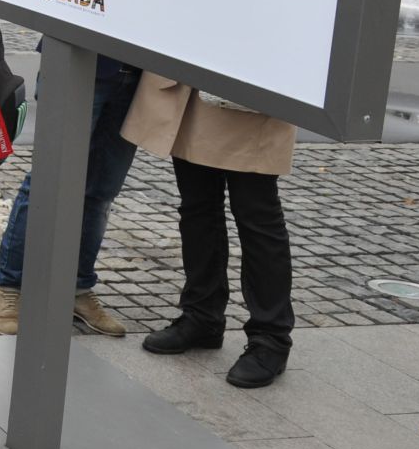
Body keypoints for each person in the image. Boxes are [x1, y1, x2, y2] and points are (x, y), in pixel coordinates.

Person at [121, 73, 297, 388]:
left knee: (256, 214)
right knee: (197, 206)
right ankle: (202, 316)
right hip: (194, 73)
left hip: (251, 77)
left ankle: (271, 338)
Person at [0, 54, 141, 338]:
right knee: (48, 178)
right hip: (76, 61)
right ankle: (10, 288)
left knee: (101, 189)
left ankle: (78, 288)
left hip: (136, 75)